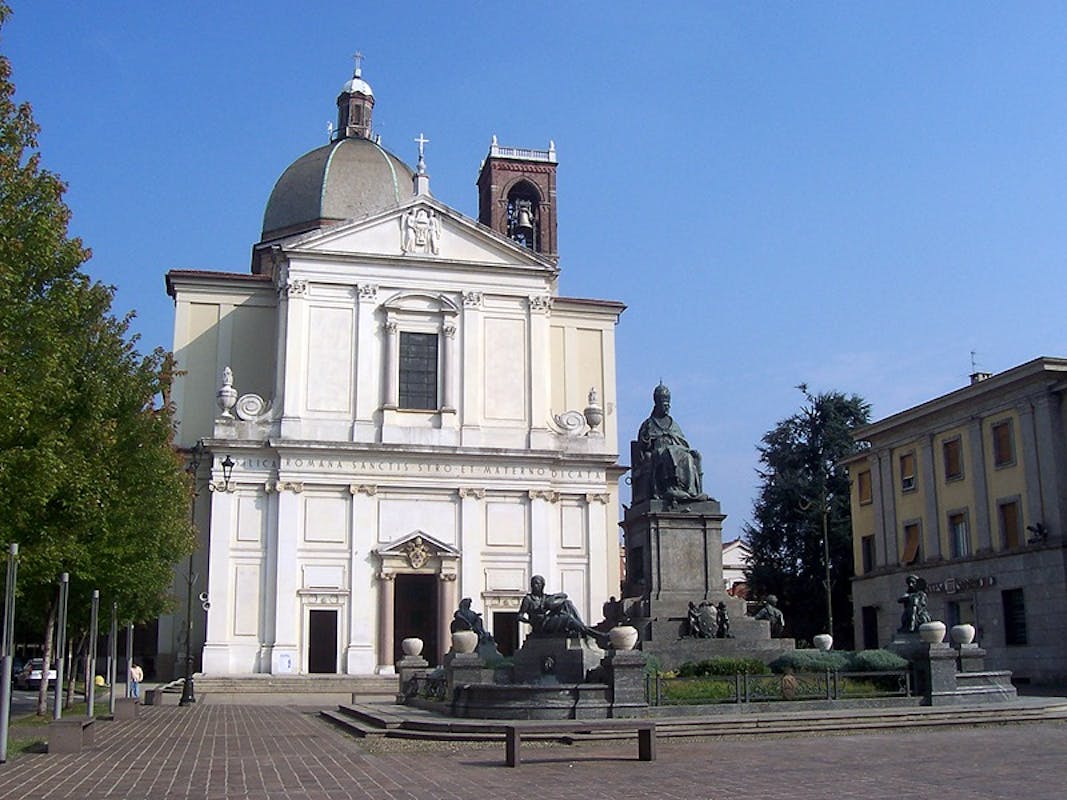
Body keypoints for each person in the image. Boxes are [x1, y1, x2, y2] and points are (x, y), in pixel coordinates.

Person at [636, 384, 707, 502]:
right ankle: (671, 487)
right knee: (669, 453)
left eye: (668, 403)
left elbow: (682, 440)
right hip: (659, 451)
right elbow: (642, 446)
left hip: (677, 449)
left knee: (688, 456)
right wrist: (648, 439)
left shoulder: (673, 423)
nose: (667, 406)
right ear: (657, 404)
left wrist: (677, 442)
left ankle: (688, 490)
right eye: (664, 404)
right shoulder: (648, 423)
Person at [518, 575, 595, 638]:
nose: (535, 586)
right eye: (533, 583)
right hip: (540, 625)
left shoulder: (546, 597)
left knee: (567, 603)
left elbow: (564, 595)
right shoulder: (528, 599)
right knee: (568, 618)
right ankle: (588, 631)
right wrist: (530, 621)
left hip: (547, 620)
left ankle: (582, 627)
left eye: (538, 584)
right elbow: (519, 616)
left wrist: (554, 598)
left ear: (542, 585)